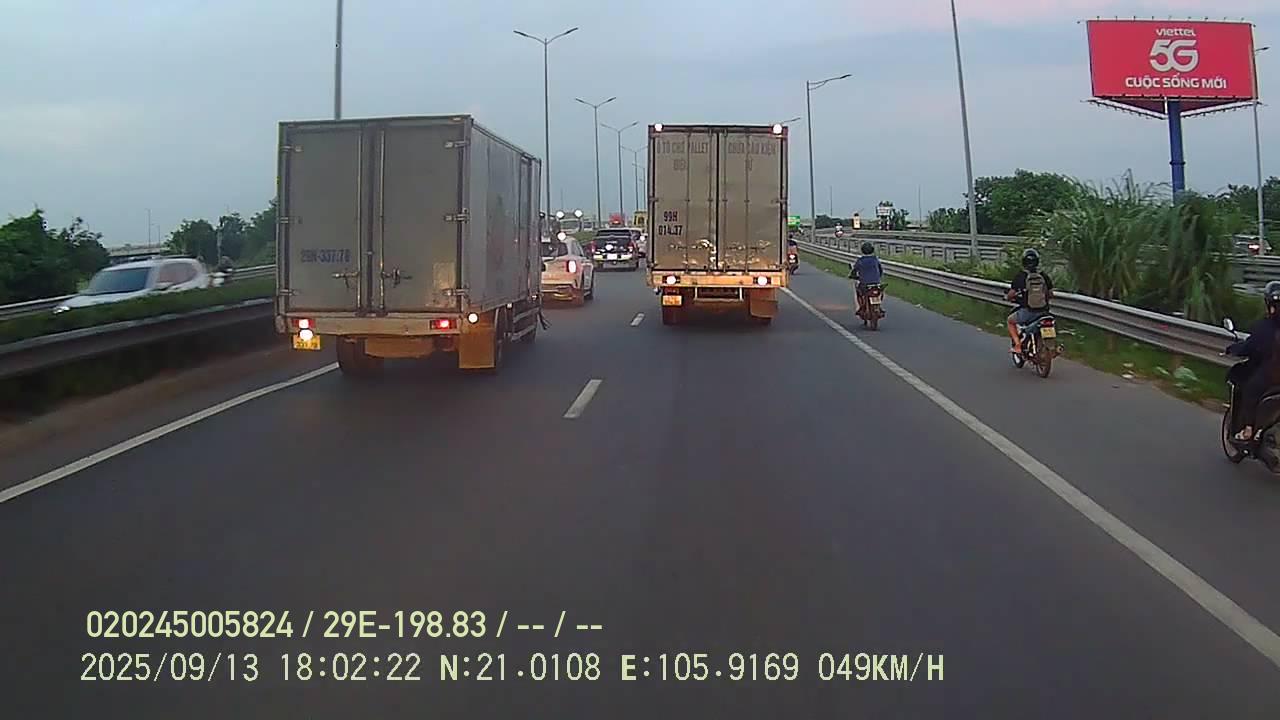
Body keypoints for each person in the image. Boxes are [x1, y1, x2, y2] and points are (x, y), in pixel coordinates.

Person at [1225, 281, 1280, 441]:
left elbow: (1250, 346)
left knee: (1250, 390)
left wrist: (1232, 349)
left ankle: (1248, 429)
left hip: (1273, 374)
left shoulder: (1265, 326)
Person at [1005, 248, 1053, 355]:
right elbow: (1050, 294)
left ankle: (1018, 345)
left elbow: (1011, 294)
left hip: (1028, 311)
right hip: (1044, 311)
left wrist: (1008, 298)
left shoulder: (1021, 276)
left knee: (1010, 321)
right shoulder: (1043, 276)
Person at [849, 242, 883, 316]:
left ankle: (860, 307)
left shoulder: (860, 260)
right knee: (880, 292)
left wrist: (852, 275)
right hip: (876, 283)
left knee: (858, 292)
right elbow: (880, 270)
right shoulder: (875, 259)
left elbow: (854, 270)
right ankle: (878, 307)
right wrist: (878, 277)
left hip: (864, 284)